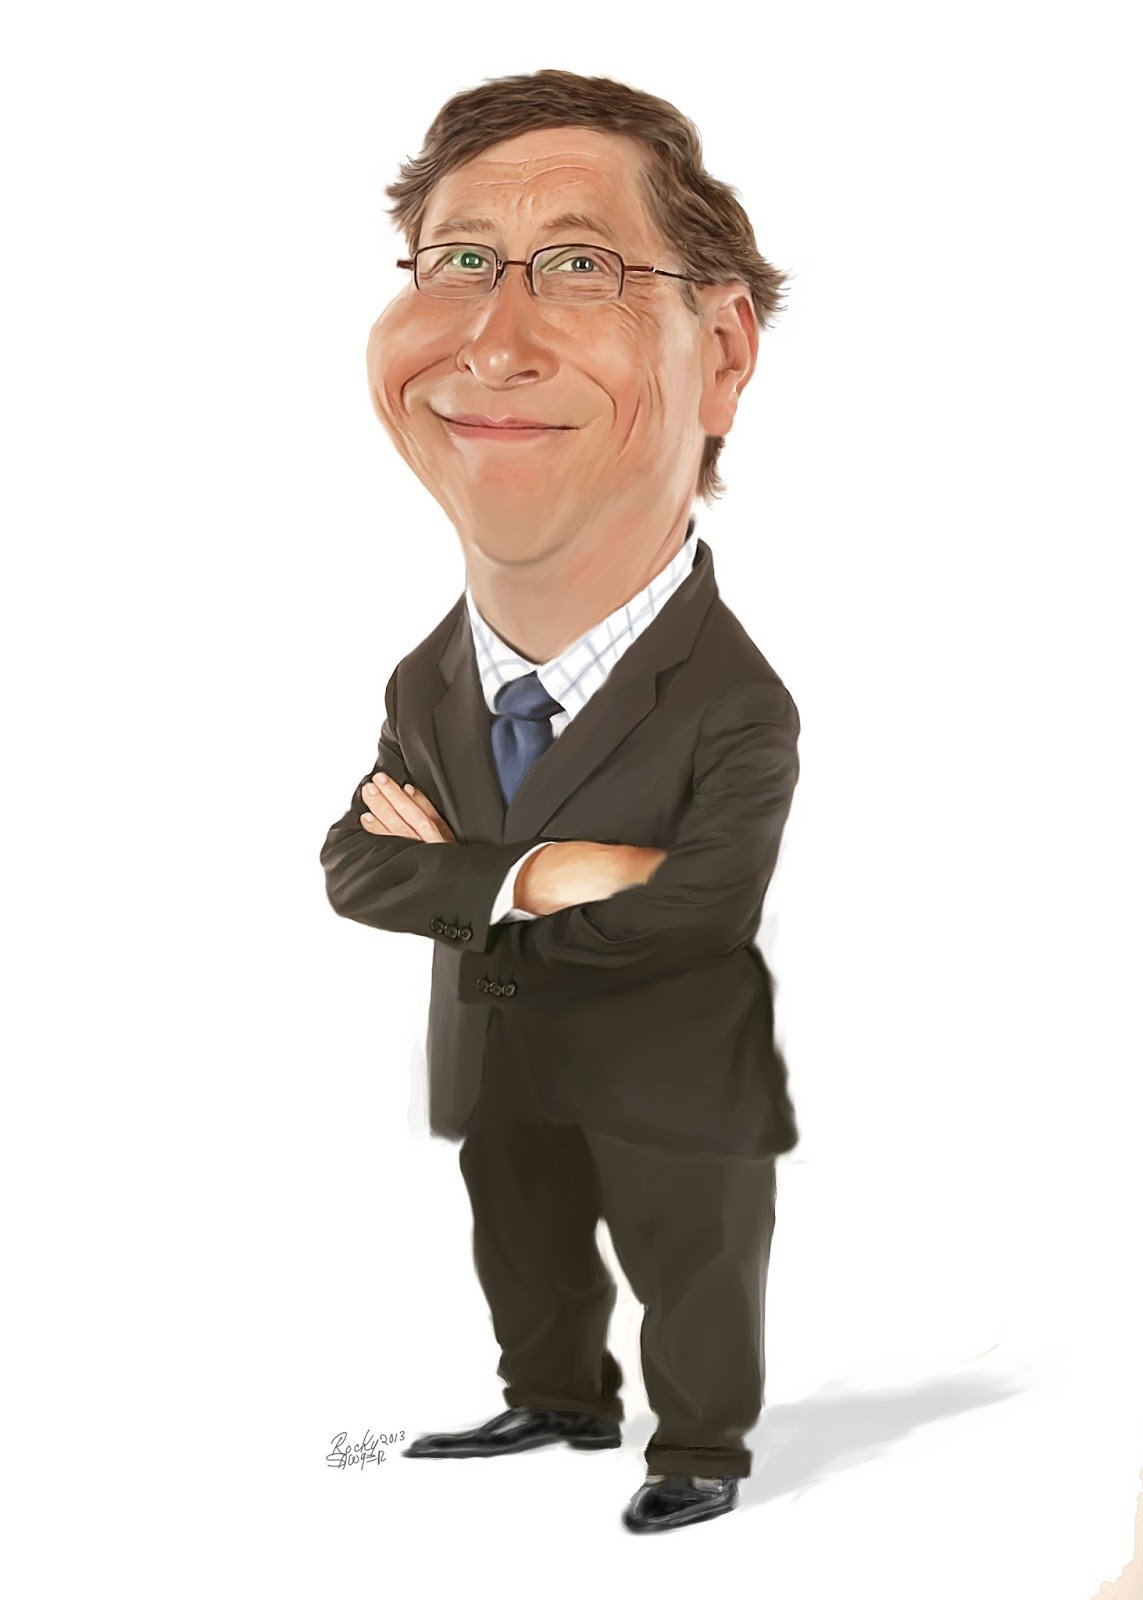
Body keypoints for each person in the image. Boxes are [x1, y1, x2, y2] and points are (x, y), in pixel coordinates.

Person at [320, 68, 801, 1534]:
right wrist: (539, 874)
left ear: (723, 352)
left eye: (580, 265)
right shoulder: (430, 679)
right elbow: (353, 866)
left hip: (670, 1074)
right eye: (459, 260)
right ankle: (557, 1394)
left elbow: (698, 912)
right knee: (520, 1234)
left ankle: (699, 1450)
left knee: (689, 1258)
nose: (491, 337)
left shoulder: (734, 701)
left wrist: (466, 882)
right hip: (502, 1056)